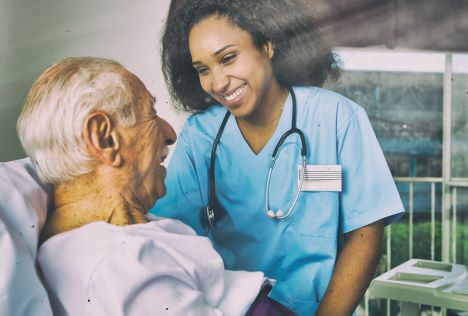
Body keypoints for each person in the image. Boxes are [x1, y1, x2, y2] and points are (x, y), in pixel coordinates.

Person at [151, 0, 405, 315]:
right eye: (203, 69)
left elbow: (365, 234)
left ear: (268, 44)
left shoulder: (337, 116)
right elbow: (173, 234)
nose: (217, 82)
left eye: (228, 58)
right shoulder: (200, 135)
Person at [17, 57, 295, 316]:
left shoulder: (112, 239)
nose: (170, 134)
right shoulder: (118, 265)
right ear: (104, 138)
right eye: (150, 114)